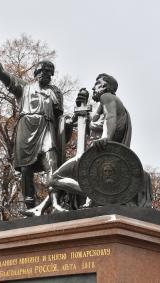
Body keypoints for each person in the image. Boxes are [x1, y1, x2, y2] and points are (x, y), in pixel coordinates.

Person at [0, 36, 66, 209]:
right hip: (27, 128)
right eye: (42, 71)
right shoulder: (25, 88)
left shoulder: (56, 92)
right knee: (26, 168)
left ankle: (55, 202)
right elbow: (1, 73)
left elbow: (60, 119)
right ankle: (29, 205)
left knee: (52, 164)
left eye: (49, 72)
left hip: (47, 128)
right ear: (36, 73)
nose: (45, 74)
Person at [28, 73, 132, 215]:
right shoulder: (104, 103)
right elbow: (91, 123)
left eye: (97, 84)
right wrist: (81, 109)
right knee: (58, 179)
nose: (93, 87)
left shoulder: (107, 97)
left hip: (98, 155)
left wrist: (105, 136)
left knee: (54, 179)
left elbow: (110, 117)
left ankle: (96, 194)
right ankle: (41, 208)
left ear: (105, 86)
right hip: (102, 156)